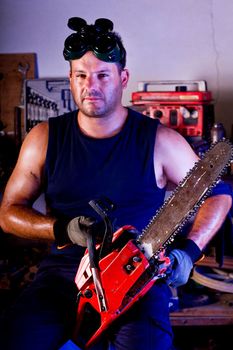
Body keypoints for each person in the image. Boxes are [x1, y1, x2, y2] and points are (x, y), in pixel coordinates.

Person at [0, 17, 232, 350]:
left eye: (102, 75)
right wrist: (61, 229)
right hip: (63, 275)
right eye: (81, 75)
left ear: (123, 78)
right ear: (70, 78)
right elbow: (8, 213)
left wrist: (188, 253)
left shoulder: (159, 140)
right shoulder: (44, 138)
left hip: (138, 274)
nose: (89, 85)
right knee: (16, 338)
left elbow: (220, 193)